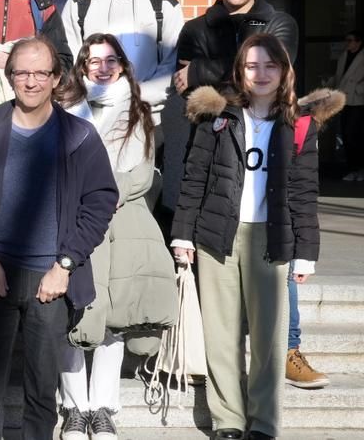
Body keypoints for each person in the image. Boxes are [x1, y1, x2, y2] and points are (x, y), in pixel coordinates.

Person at [172, 34, 341, 440]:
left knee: (269, 338)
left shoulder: (299, 123)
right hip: (218, 235)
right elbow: (194, 177)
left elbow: (304, 191)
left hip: (272, 238)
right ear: (240, 71)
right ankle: (229, 420)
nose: (261, 73)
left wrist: (306, 253)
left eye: (270, 65)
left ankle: (264, 423)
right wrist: (182, 235)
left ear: (284, 71)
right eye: (252, 66)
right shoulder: (218, 115)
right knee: (221, 334)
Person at [0, 35, 117, 440]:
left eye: (41, 73)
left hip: (51, 280)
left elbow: (100, 202)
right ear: (9, 77)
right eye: (21, 73)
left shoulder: (79, 136)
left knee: (41, 394)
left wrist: (65, 265)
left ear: (57, 78)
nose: (31, 82)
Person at [56, 34, 176, 440]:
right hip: (72, 219)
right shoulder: (64, 111)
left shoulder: (140, 113)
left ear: (123, 65)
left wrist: (102, 197)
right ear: (82, 66)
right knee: (72, 310)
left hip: (121, 220)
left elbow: (141, 173)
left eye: (110, 60)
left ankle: (103, 407)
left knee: (113, 316)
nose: (102, 67)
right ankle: (74, 406)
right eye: (93, 61)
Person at [61, 0, 182, 122]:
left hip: (146, 118)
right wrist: (97, 93)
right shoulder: (78, 5)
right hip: (91, 117)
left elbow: (170, 66)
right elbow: (70, 60)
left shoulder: (165, 6)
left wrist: (130, 95)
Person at [173, 0, 298, 96]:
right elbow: (186, 89)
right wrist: (245, 69)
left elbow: (275, 71)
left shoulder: (279, 24)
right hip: (210, 119)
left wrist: (198, 71)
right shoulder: (194, 29)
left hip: (267, 117)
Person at [334, 29, 363, 181]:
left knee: (354, 135)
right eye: (347, 40)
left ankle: (359, 169)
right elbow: (340, 77)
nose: (348, 43)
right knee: (346, 134)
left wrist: (358, 89)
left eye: (351, 40)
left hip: (358, 100)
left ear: (359, 42)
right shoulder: (343, 56)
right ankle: (353, 169)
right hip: (345, 99)